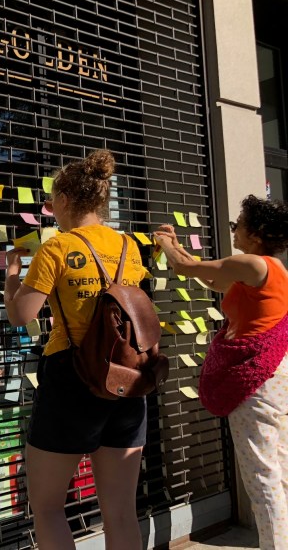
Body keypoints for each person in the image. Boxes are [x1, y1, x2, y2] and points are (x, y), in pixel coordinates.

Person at [5, 149, 148, 550]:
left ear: (65, 201)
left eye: (52, 201)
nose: (51, 210)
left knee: (48, 507)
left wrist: (11, 277)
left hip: (72, 377)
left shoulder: (57, 248)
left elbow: (21, 315)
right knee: (120, 512)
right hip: (127, 377)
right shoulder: (128, 247)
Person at [154, 195, 288, 550]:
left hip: (256, 379)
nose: (234, 231)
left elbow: (187, 269)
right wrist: (177, 248)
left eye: (237, 224)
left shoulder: (255, 264)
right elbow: (212, 280)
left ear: (256, 233)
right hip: (276, 374)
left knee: (261, 473)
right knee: (279, 467)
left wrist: (166, 243)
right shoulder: (271, 270)